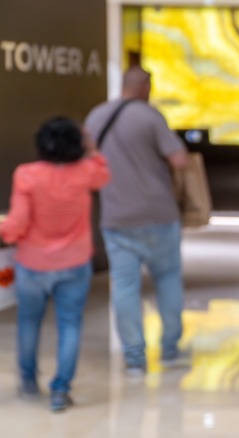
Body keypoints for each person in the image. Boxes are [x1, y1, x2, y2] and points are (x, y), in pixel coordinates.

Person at [0, 118, 110, 411]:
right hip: (75, 263)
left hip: (33, 264)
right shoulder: (86, 172)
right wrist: (92, 148)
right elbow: (104, 174)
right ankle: (60, 390)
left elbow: (17, 224)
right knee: (70, 324)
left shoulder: (27, 175)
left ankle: (27, 381)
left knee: (28, 322)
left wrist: (6, 231)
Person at [84, 66, 189, 376]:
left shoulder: (96, 116)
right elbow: (179, 160)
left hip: (116, 216)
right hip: (158, 214)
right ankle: (169, 348)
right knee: (168, 279)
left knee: (126, 286)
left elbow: (89, 162)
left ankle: (134, 357)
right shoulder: (150, 117)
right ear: (144, 86)